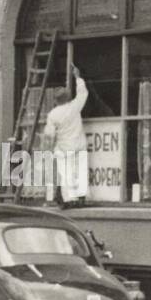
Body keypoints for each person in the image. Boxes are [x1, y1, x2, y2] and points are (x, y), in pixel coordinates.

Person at [43, 66, 89, 208]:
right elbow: (83, 93)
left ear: (56, 101)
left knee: (66, 174)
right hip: (79, 144)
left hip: (64, 147)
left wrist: (48, 148)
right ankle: (81, 198)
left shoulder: (53, 114)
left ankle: (69, 200)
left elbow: (49, 135)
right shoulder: (75, 106)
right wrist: (78, 77)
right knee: (81, 171)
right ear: (68, 98)